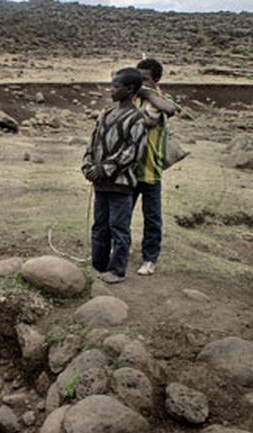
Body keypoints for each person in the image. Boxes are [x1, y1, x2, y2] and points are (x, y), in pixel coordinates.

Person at [82, 68, 147, 284]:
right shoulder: (105, 115)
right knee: (99, 225)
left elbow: (133, 152)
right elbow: (93, 143)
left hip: (121, 185)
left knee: (119, 228)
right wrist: (88, 165)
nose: (111, 90)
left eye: (115, 86)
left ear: (130, 89)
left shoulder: (137, 119)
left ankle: (117, 270)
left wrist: (104, 169)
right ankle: (98, 265)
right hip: (101, 184)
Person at [132, 58, 179, 276]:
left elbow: (168, 110)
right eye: (138, 79)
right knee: (122, 214)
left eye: (145, 79)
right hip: (129, 169)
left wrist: (148, 94)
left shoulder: (161, 99)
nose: (140, 83)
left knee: (152, 218)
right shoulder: (131, 97)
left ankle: (150, 258)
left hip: (151, 168)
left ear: (156, 79)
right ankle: (120, 249)